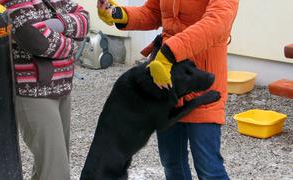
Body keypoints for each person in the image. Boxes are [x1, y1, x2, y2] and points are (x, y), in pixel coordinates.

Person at [97, 0, 238, 179]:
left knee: (208, 168)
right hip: (166, 79)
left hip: (200, 79)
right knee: (172, 162)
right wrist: (119, 14)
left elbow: (218, 22)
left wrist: (171, 50)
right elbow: (153, 12)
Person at [0, 0, 89, 179]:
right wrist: (73, 44)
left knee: (47, 169)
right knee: (56, 172)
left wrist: (57, 24)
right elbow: (34, 38)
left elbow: (84, 18)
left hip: (62, 88)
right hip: (34, 93)